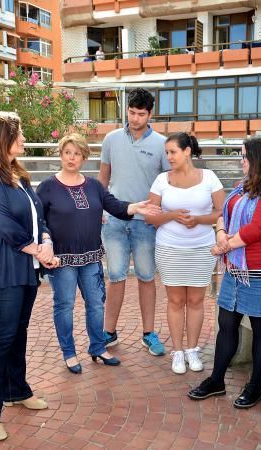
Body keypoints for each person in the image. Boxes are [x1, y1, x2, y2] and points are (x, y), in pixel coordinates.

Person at [37, 133, 161, 373]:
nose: (71, 158)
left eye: (77, 153)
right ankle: (69, 353)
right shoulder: (48, 187)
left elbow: (114, 206)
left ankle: (97, 347)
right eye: (67, 153)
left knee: (95, 305)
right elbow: (39, 220)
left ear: (84, 157)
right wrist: (45, 241)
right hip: (61, 260)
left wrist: (133, 207)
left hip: (92, 258)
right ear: (61, 155)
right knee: (64, 305)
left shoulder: (94, 186)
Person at [189, 135, 261, 409]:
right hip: (237, 271)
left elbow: (256, 230)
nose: (240, 161)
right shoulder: (243, 186)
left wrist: (223, 247)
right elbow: (223, 211)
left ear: (259, 159)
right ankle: (217, 380)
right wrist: (222, 233)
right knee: (227, 324)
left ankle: (255, 385)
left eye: (244, 156)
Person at [0, 112, 57, 442]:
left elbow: (38, 216)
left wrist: (45, 240)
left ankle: (16, 390)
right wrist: (35, 249)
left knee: (18, 332)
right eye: (20, 135)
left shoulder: (20, 176)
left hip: (28, 265)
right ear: (3, 138)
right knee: (2, 336)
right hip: (3, 267)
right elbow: (0, 222)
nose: (25, 139)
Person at [98, 88, 171, 356]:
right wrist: (99, 211)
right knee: (115, 276)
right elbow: (102, 178)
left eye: (141, 114)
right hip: (115, 220)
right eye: (131, 113)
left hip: (146, 223)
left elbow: (168, 184)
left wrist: (159, 216)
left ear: (150, 114)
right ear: (126, 110)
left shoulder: (162, 144)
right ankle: (109, 332)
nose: (135, 118)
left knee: (146, 277)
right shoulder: (111, 139)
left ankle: (149, 333)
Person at [147, 133, 225, 374]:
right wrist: (172, 215)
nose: (169, 157)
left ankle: (192, 350)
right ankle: (178, 352)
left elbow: (223, 211)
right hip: (170, 248)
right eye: (167, 152)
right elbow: (151, 217)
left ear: (187, 151)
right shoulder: (161, 180)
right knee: (175, 300)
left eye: (173, 152)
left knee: (196, 300)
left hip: (202, 248)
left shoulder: (210, 177)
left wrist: (199, 220)